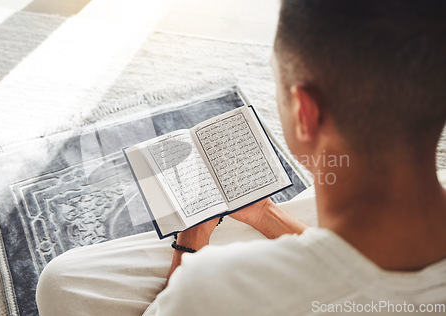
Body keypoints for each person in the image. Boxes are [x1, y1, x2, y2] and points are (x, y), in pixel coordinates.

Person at [36, 1, 446, 315]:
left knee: (59, 282)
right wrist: (267, 217)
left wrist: (190, 250)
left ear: (305, 112)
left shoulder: (209, 289)